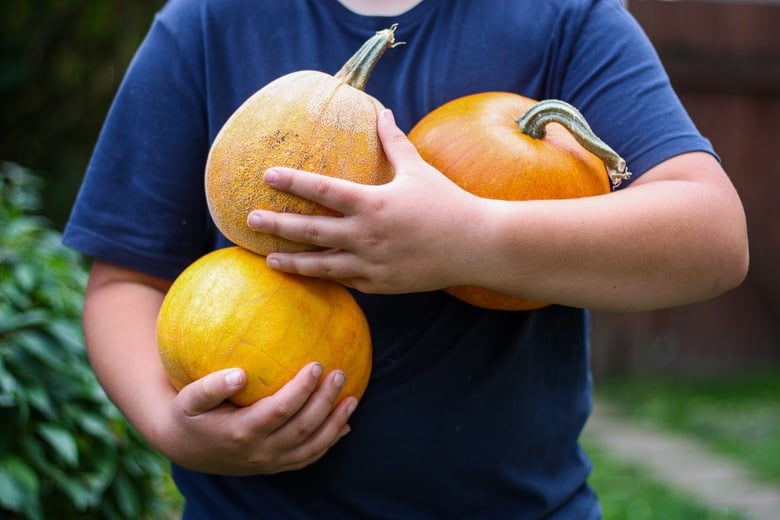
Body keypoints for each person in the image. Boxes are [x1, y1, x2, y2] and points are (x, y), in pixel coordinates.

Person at [63, 0, 749, 518]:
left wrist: (474, 239)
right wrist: (169, 426)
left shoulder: (566, 17)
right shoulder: (208, 21)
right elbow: (125, 279)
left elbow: (712, 239)